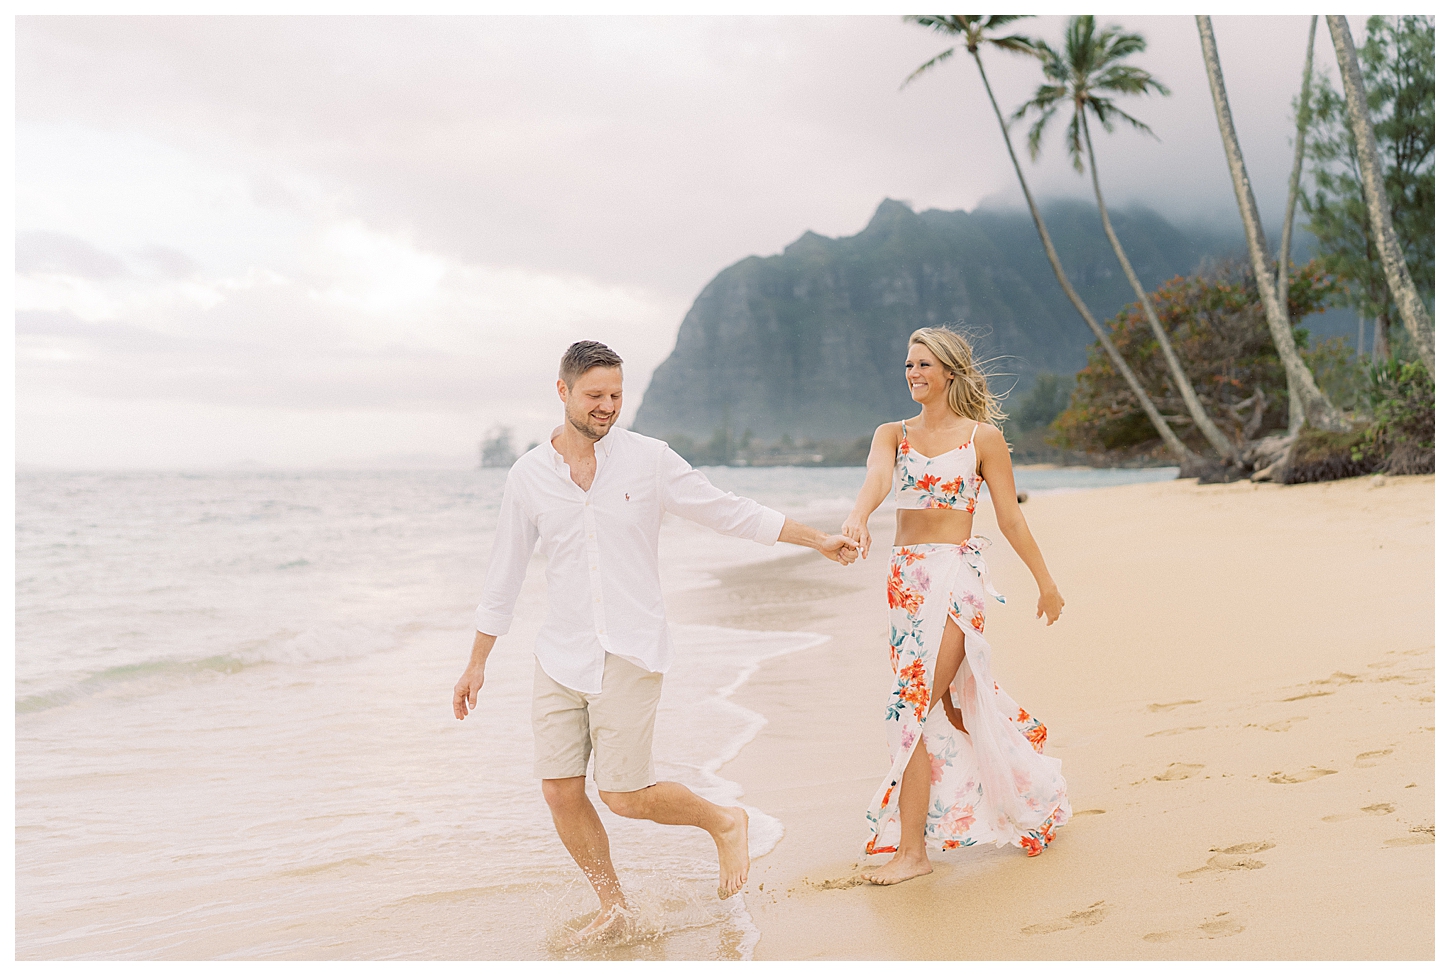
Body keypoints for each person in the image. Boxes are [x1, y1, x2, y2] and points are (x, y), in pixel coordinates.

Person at [453, 340, 860, 941]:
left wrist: (817, 539)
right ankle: (614, 904)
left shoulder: (649, 460)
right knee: (560, 791)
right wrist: (476, 662)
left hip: (630, 648)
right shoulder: (528, 477)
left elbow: (728, 511)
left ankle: (724, 820)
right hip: (560, 656)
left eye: (616, 395)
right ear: (562, 392)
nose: (608, 407)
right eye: (595, 395)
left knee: (623, 794)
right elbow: (504, 573)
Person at [841, 326, 1071, 885]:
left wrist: (1046, 583)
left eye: (924, 365)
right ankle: (1028, 790)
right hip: (905, 583)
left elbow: (1010, 517)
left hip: (953, 577)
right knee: (944, 710)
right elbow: (876, 479)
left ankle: (914, 853)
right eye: (908, 365)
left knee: (911, 708)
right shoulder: (892, 434)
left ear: (948, 372)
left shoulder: (982, 438)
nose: (914, 373)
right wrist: (858, 516)